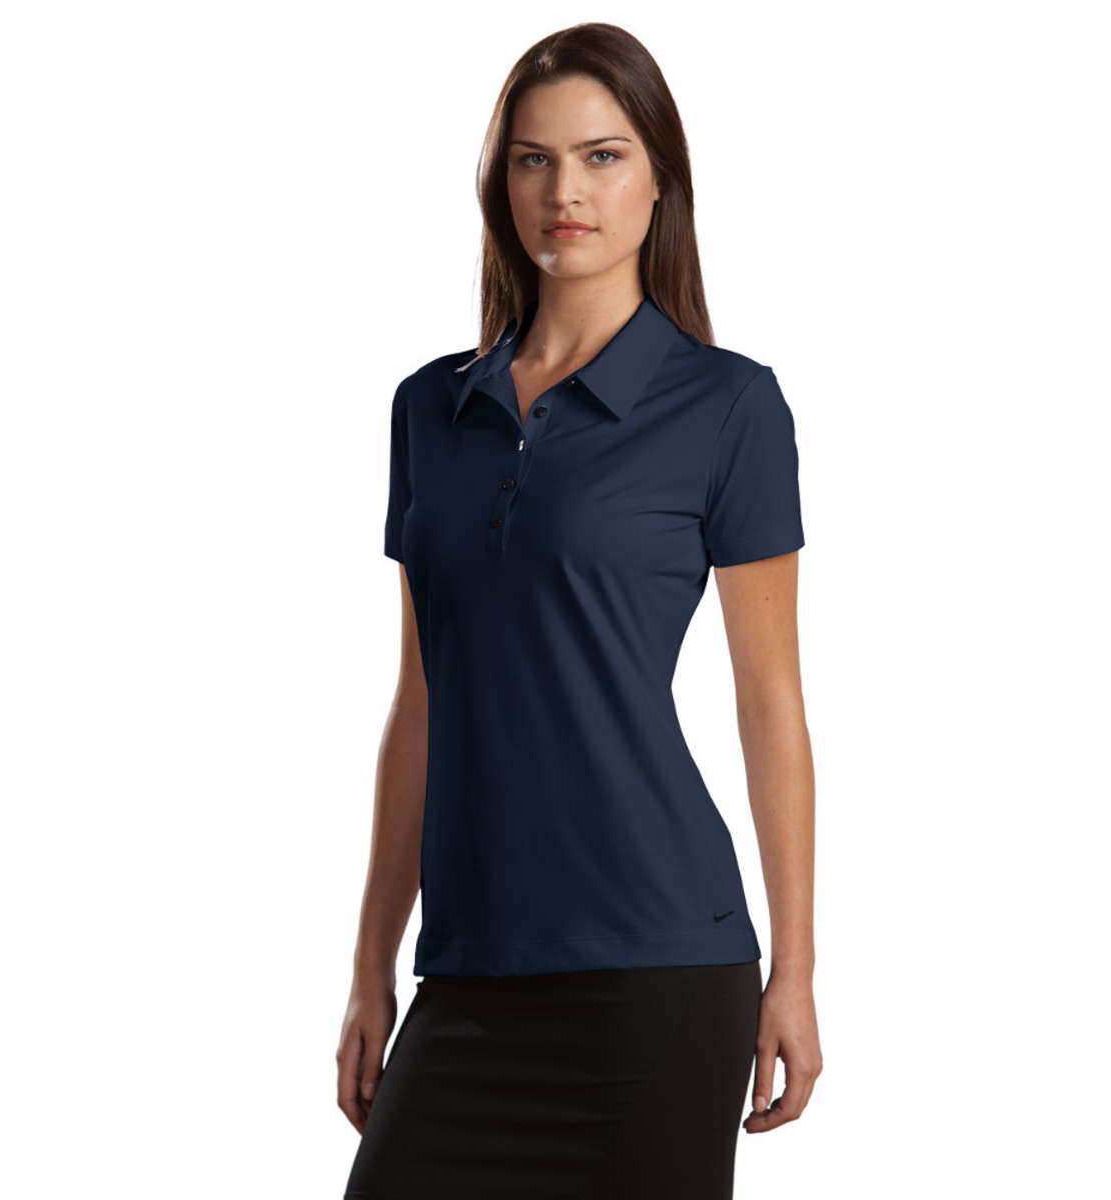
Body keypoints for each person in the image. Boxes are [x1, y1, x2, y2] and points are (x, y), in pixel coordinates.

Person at [337, 21, 821, 1199]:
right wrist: (369, 966)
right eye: (534, 160)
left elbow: (770, 703)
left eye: (604, 157)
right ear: (500, 183)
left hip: (660, 968)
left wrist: (797, 971)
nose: (566, 193)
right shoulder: (427, 411)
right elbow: (421, 703)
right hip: (467, 969)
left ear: (661, 181)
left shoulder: (729, 408)